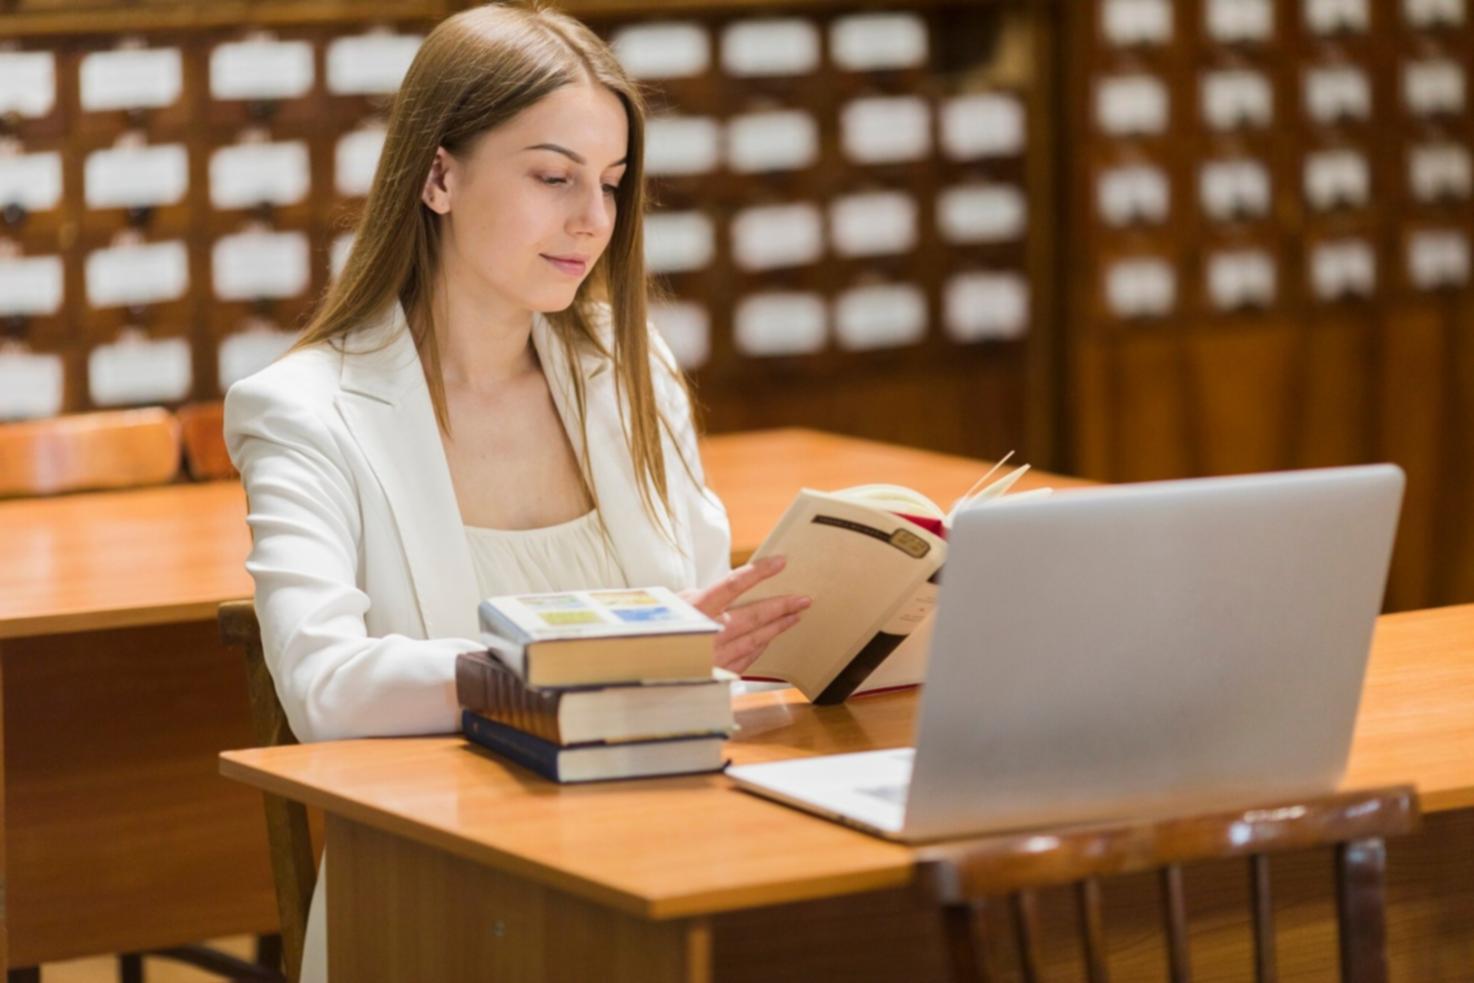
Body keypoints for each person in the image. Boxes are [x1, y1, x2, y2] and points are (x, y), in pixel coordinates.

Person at [223, 5, 808, 979]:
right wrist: (574, 657)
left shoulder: (630, 369)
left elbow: (703, 644)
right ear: (438, 175)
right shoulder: (303, 409)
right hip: (441, 891)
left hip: (668, 854)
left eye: (611, 185)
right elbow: (325, 687)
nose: (592, 219)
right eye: (553, 177)